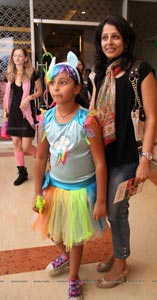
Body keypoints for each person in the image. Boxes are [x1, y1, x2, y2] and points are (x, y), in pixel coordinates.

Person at [32, 51, 107, 300]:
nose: (55, 88)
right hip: (54, 187)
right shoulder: (46, 119)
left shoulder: (87, 122)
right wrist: (36, 192)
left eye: (62, 82)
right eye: (52, 83)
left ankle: (74, 276)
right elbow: (41, 157)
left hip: (80, 191)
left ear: (76, 88)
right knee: (54, 231)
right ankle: (64, 255)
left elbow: (99, 162)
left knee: (75, 236)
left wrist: (101, 200)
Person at [89, 15, 157, 288]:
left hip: (129, 156)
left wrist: (145, 160)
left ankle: (121, 264)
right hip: (104, 156)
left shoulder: (141, 70)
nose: (109, 42)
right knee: (108, 208)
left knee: (117, 211)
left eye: (115, 36)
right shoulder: (99, 73)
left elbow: (151, 117)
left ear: (126, 39)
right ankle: (117, 251)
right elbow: (93, 114)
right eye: (105, 37)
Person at [3, 46, 42, 185]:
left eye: (20, 55)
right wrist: (6, 114)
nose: (17, 58)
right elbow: (7, 96)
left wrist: (28, 98)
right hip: (14, 113)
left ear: (26, 58)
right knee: (16, 143)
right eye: (15, 56)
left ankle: (44, 159)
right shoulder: (10, 75)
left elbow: (40, 91)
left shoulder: (33, 73)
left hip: (27, 114)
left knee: (27, 147)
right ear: (12, 58)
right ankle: (22, 172)